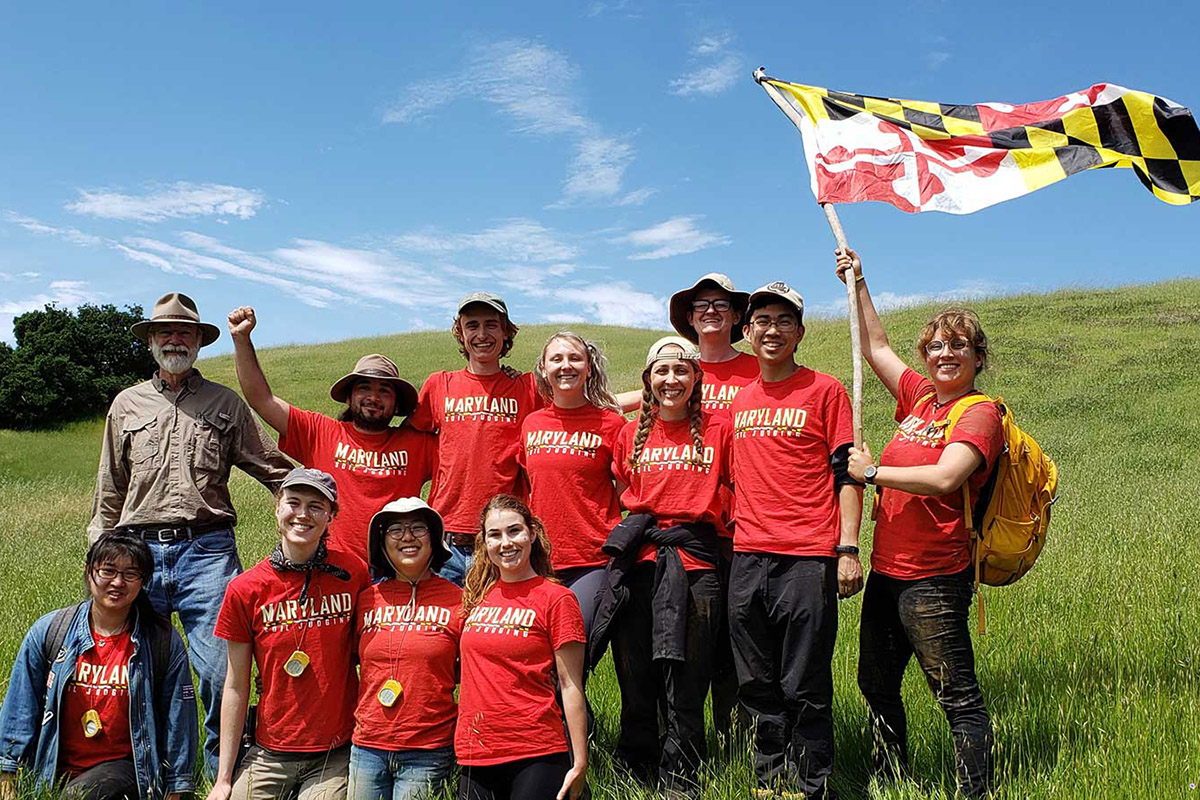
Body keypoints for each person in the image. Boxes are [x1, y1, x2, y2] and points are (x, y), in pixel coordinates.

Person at [88, 292, 293, 777]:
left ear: (199, 341)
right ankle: (151, 772)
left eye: (185, 332)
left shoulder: (225, 403)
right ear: (152, 341)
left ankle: (229, 774)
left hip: (209, 553)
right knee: (140, 668)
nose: (175, 340)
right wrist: (102, 549)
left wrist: (319, 502)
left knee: (221, 669)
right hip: (137, 555)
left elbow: (273, 470)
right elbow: (110, 486)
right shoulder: (126, 405)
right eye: (165, 332)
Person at [836, 248, 1002, 798]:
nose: (944, 354)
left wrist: (873, 470)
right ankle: (892, 778)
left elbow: (946, 477)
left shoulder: (979, 412)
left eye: (958, 346)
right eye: (935, 346)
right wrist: (858, 281)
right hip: (889, 572)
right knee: (875, 682)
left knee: (955, 695)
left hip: (936, 576)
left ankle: (974, 790)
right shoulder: (920, 400)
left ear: (978, 357)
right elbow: (876, 347)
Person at [727, 281, 864, 799]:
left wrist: (847, 549)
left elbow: (847, 475)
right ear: (747, 330)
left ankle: (814, 785)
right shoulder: (740, 401)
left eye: (785, 321)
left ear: (800, 332)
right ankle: (769, 782)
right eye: (762, 320)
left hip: (808, 556)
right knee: (756, 681)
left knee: (803, 682)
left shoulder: (825, 390)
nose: (772, 329)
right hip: (747, 555)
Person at [608, 336, 733, 796]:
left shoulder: (721, 430)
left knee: (688, 676)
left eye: (681, 370)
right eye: (661, 371)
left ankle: (682, 773)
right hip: (640, 562)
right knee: (635, 671)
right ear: (647, 379)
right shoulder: (628, 434)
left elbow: (739, 487)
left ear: (697, 378)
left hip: (696, 564)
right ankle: (636, 764)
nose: (671, 380)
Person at [207, 468, 370, 800]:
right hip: (270, 751)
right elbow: (236, 684)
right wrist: (224, 778)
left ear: (331, 515)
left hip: (334, 750)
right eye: (293, 502)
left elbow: (367, 658)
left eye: (316, 506)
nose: (303, 514)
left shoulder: (353, 573)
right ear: (277, 506)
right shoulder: (245, 589)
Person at [0, 532, 197, 800]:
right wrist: (7, 775)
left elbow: (179, 720)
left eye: (130, 574)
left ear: (144, 581)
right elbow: (21, 706)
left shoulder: (161, 642)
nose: (117, 582)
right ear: (88, 572)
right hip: (53, 771)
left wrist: (176, 787)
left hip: (126, 772)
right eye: (108, 571)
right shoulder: (50, 631)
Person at [227, 306, 437, 557]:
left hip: (394, 569)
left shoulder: (418, 445)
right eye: (364, 387)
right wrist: (242, 340)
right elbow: (262, 399)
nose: (373, 397)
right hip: (333, 569)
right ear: (349, 397)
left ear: (397, 404)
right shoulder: (321, 432)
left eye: (385, 391)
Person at [455, 495, 587, 800]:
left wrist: (580, 762)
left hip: (535, 749)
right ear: (484, 543)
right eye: (495, 535)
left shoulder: (557, 598)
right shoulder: (475, 599)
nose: (505, 543)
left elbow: (570, 685)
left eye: (514, 531)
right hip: (476, 752)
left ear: (532, 534)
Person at [408, 292, 542, 586]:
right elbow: (402, 441)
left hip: (501, 542)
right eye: (473, 325)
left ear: (506, 331)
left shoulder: (527, 388)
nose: (482, 334)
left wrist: (650, 399)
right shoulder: (439, 385)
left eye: (491, 325)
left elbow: (579, 408)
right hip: (445, 543)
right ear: (460, 331)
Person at [349, 498, 461, 800]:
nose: (407, 537)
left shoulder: (459, 601)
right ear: (382, 542)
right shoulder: (366, 600)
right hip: (367, 746)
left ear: (435, 539)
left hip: (428, 749)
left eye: (418, 528)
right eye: (395, 529)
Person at [520, 331, 625, 644]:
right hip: (538, 560)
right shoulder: (532, 424)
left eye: (574, 358)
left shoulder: (611, 424)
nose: (566, 366)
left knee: (574, 651)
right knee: (541, 660)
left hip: (592, 559)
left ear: (589, 367)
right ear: (543, 368)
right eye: (557, 359)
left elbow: (624, 494)